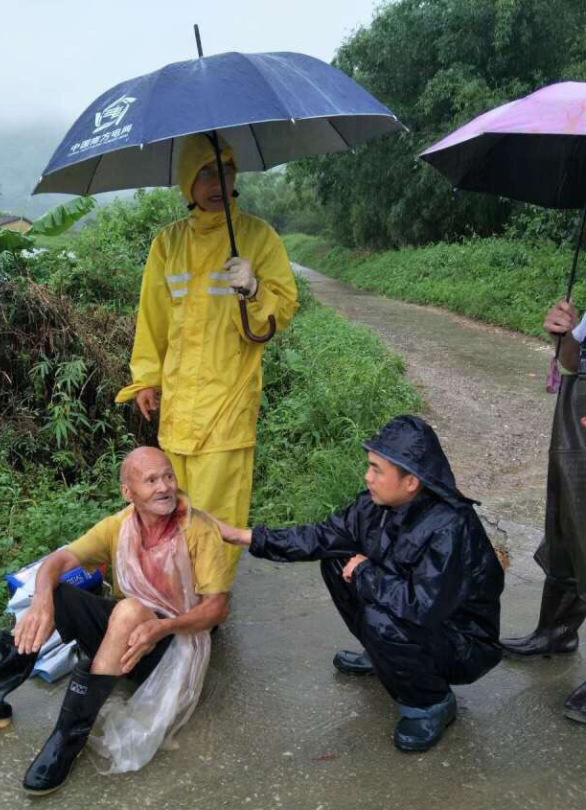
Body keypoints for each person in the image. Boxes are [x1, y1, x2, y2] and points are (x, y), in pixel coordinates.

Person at [0, 447, 234, 794]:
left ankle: (69, 737)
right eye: (150, 480)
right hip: (125, 639)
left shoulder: (198, 529)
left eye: (168, 476)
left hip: (172, 643)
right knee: (56, 593)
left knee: (129, 610)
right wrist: (42, 600)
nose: (164, 487)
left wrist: (163, 627)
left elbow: (218, 609)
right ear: (128, 492)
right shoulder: (119, 525)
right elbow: (58, 561)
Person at [214, 415, 504, 752]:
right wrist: (243, 536)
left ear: (412, 481)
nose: (367, 477)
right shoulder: (374, 506)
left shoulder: (450, 528)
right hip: (420, 623)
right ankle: (386, 658)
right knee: (336, 559)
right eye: (370, 466)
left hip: (463, 643)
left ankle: (430, 703)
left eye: (377, 470)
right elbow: (320, 537)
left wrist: (366, 572)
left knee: (381, 617)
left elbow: (422, 606)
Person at [115, 133, 298, 573]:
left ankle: (210, 596)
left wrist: (255, 289)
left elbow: (282, 310)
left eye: (226, 171)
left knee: (215, 514)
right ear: (187, 182)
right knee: (172, 509)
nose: (219, 182)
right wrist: (146, 379)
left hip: (227, 404)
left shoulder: (258, 237)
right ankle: (178, 587)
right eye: (206, 173)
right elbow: (153, 318)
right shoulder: (168, 244)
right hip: (179, 407)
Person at [501, 299, 586, 722]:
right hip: (578, 412)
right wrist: (565, 335)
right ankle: (557, 630)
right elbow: (572, 362)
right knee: (568, 528)